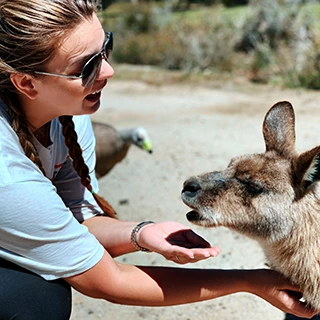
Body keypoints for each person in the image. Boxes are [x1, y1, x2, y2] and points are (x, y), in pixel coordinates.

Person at [0, 1, 317, 319]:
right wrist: (250, 281)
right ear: (26, 83)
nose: (108, 71)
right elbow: (105, 280)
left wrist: (142, 233)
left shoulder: (70, 111)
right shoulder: (8, 175)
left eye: (105, 47)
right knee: (36, 299)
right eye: (86, 66)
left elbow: (76, 220)